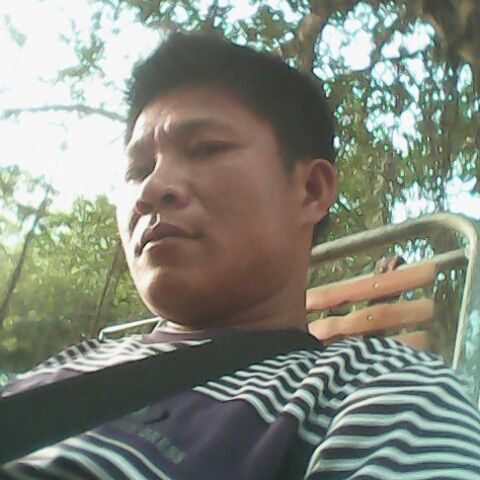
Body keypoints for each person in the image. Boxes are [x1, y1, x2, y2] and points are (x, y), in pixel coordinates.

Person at [2, 33, 479, 479]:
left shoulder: (382, 393)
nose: (151, 188)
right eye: (139, 168)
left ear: (311, 190)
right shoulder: (79, 358)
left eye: (206, 149)